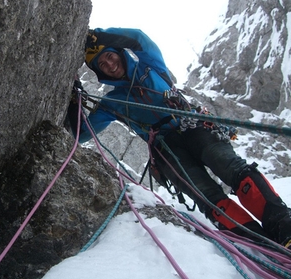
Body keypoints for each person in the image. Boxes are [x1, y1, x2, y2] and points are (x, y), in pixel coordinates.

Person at [67, 27, 291, 249]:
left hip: (192, 127)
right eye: (102, 65)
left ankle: (285, 228)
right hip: (166, 149)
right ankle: (263, 246)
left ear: (120, 52)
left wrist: (102, 35)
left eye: (109, 56)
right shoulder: (112, 102)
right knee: (206, 196)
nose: (110, 65)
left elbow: (140, 40)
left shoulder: (150, 66)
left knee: (230, 167)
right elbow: (82, 134)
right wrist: (74, 104)